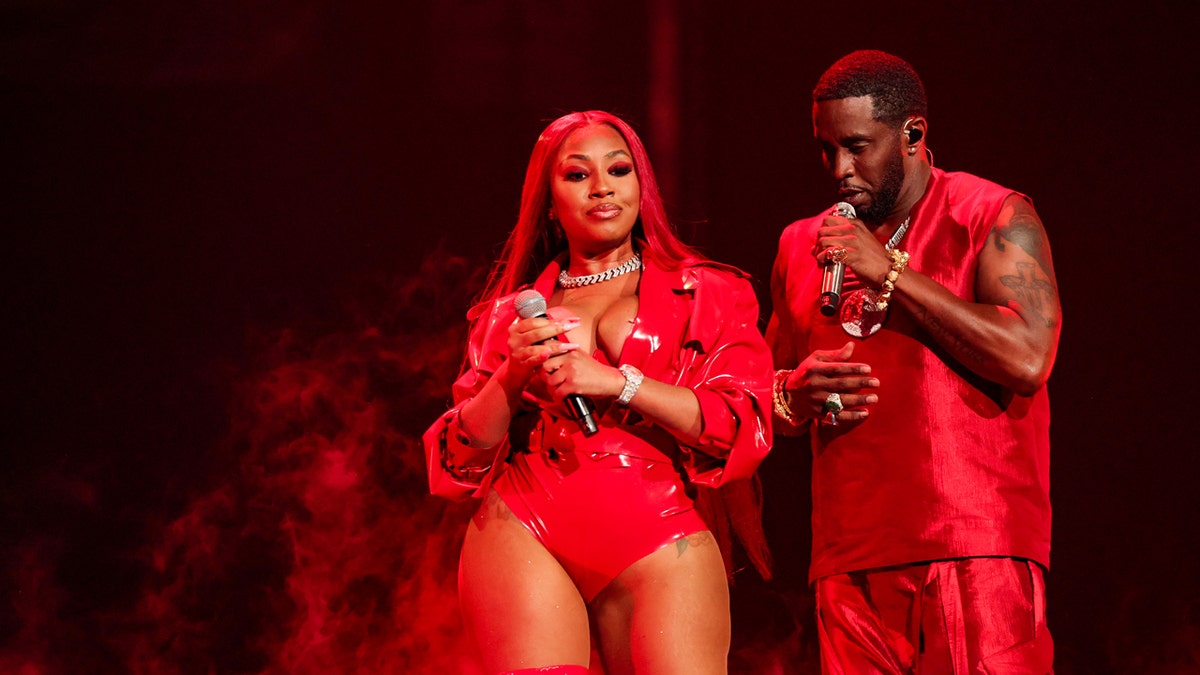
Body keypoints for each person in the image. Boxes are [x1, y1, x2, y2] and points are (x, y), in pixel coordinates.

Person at [423, 110, 774, 675]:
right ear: (549, 201)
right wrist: (511, 374)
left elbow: (740, 425)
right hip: (524, 521)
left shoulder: (711, 292)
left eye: (618, 169)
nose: (602, 187)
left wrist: (618, 382)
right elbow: (457, 463)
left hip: (660, 526)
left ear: (642, 185)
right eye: (577, 175)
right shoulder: (507, 316)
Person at [766, 50, 1061, 672]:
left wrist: (891, 272)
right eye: (826, 150)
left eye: (857, 147)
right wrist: (794, 392)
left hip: (974, 544)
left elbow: (1029, 357)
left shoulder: (990, 213)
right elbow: (763, 402)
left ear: (913, 134)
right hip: (848, 560)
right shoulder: (803, 244)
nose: (840, 170)